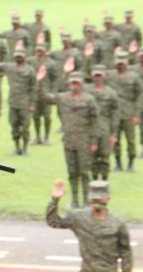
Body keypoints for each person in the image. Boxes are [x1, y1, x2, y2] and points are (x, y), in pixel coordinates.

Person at [39, 71, 98, 208]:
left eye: (77, 83)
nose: (74, 85)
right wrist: (40, 82)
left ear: (82, 84)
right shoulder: (63, 98)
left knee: (84, 172)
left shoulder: (89, 99)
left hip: (84, 140)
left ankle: (86, 200)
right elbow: (46, 99)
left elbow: (95, 121)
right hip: (69, 140)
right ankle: (75, 199)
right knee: (72, 172)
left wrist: (94, 141)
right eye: (72, 83)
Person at [46, 179, 132, 272]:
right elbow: (53, 222)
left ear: (107, 199)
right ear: (89, 199)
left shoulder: (117, 224)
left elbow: (125, 253)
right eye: (94, 199)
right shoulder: (80, 219)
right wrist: (55, 200)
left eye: (99, 199)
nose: (96, 203)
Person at [0, 49, 37, 155]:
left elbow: (34, 88)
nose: (18, 58)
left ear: (25, 57)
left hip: (25, 103)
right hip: (13, 102)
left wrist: (32, 104)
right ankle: (17, 147)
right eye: (16, 56)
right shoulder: (10, 67)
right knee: (14, 126)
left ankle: (25, 148)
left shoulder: (30, 70)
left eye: (20, 56)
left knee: (25, 127)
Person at [106, 52, 141, 171]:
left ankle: (131, 163)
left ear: (127, 63)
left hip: (129, 112)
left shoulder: (134, 77)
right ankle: (118, 163)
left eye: (122, 63)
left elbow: (139, 96)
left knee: (131, 140)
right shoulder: (109, 75)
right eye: (118, 63)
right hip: (114, 113)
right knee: (115, 139)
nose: (120, 65)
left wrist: (137, 114)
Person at [85, 66, 119, 181]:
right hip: (89, 126)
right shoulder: (86, 91)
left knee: (104, 155)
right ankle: (94, 180)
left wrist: (114, 133)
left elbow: (115, 114)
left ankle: (104, 181)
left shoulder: (111, 93)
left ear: (104, 77)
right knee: (92, 155)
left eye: (100, 76)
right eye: (95, 76)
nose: (97, 78)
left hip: (105, 126)